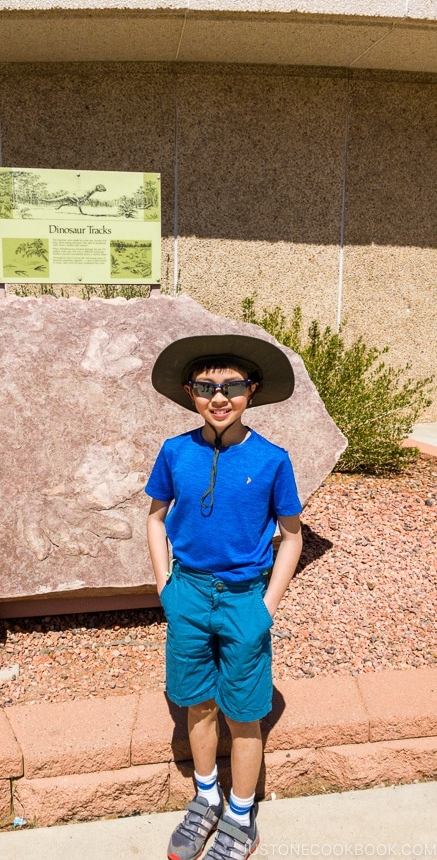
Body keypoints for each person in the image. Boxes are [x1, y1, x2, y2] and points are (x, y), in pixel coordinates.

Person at [145, 334, 303, 860]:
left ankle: (241, 814)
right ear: (190, 392)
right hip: (188, 594)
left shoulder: (273, 459)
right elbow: (154, 516)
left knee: (244, 711)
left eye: (232, 386)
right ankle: (206, 797)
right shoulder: (175, 452)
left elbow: (292, 535)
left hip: (243, 600)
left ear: (252, 391)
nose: (219, 397)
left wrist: (267, 605)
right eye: (206, 387)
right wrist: (164, 582)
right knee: (198, 703)